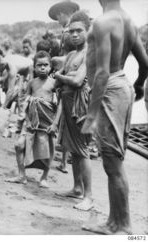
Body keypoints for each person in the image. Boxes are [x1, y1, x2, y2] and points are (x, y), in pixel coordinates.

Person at [81, 0, 148, 235]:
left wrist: (90, 117)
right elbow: (145, 63)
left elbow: (101, 72)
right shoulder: (128, 20)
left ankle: (122, 225)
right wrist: (138, 85)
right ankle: (115, 221)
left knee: (112, 162)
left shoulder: (103, 21)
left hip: (109, 89)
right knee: (114, 160)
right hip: (122, 86)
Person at [49, 11, 93, 211]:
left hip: (79, 104)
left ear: (88, 30)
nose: (74, 35)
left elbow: (76, 81)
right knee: (73, 148)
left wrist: (62, 75)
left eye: (79, 31)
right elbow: (60, 79)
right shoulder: (72, 54)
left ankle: (89, 196)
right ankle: (77, 188)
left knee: (82, 150)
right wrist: (63, 76)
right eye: (71, 31)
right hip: (66, 101)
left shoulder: (89, 52)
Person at [5, 51, 57, 188]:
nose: (43, 68)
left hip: (47, 123)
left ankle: (44, 177)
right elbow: (25, 103)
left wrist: (56, 123)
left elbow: (59, 104)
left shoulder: (55, 84)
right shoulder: (32, 83)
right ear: (34, 67)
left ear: (51, 66)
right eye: (39, 65)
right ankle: (22, 175)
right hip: (31, 122)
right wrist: (20, 121)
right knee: (19, 145)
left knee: (47, 151)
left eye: (46, 65)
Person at [48, 0, 80, 174]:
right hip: (68, 75)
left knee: (65, 118)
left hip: (68, 76)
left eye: (58, 17)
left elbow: (69, 58)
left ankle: (64, 160)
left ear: (62, 14)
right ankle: (64, 161)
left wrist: (55, 65)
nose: (58, 20)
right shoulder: (72, 32)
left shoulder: (68, 33)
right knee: (66, 120)